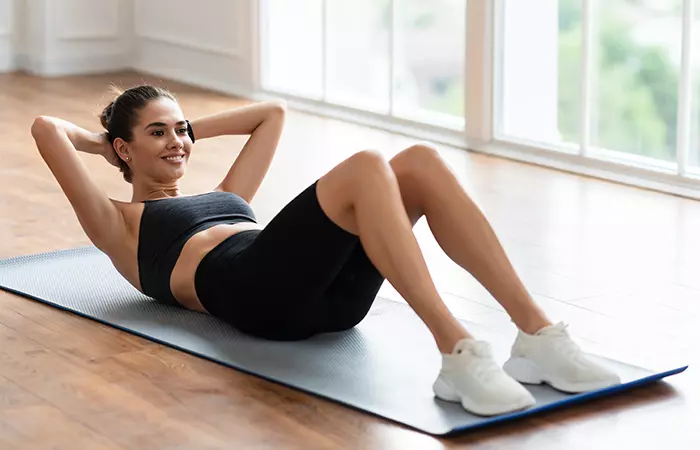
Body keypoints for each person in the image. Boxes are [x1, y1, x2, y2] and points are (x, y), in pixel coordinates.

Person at [30, 84, 620, 417]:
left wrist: (177, 129)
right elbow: (46, 129)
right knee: (366, 166)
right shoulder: (120, 223)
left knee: (417, 162)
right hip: (256, 298)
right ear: (121, 149)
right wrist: (114, 146)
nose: (179, 142)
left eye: (181, 130)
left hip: (332, 303)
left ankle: (538, 337)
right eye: (158, 133)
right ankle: (456, 349)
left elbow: (271, 114)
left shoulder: (226, 194)